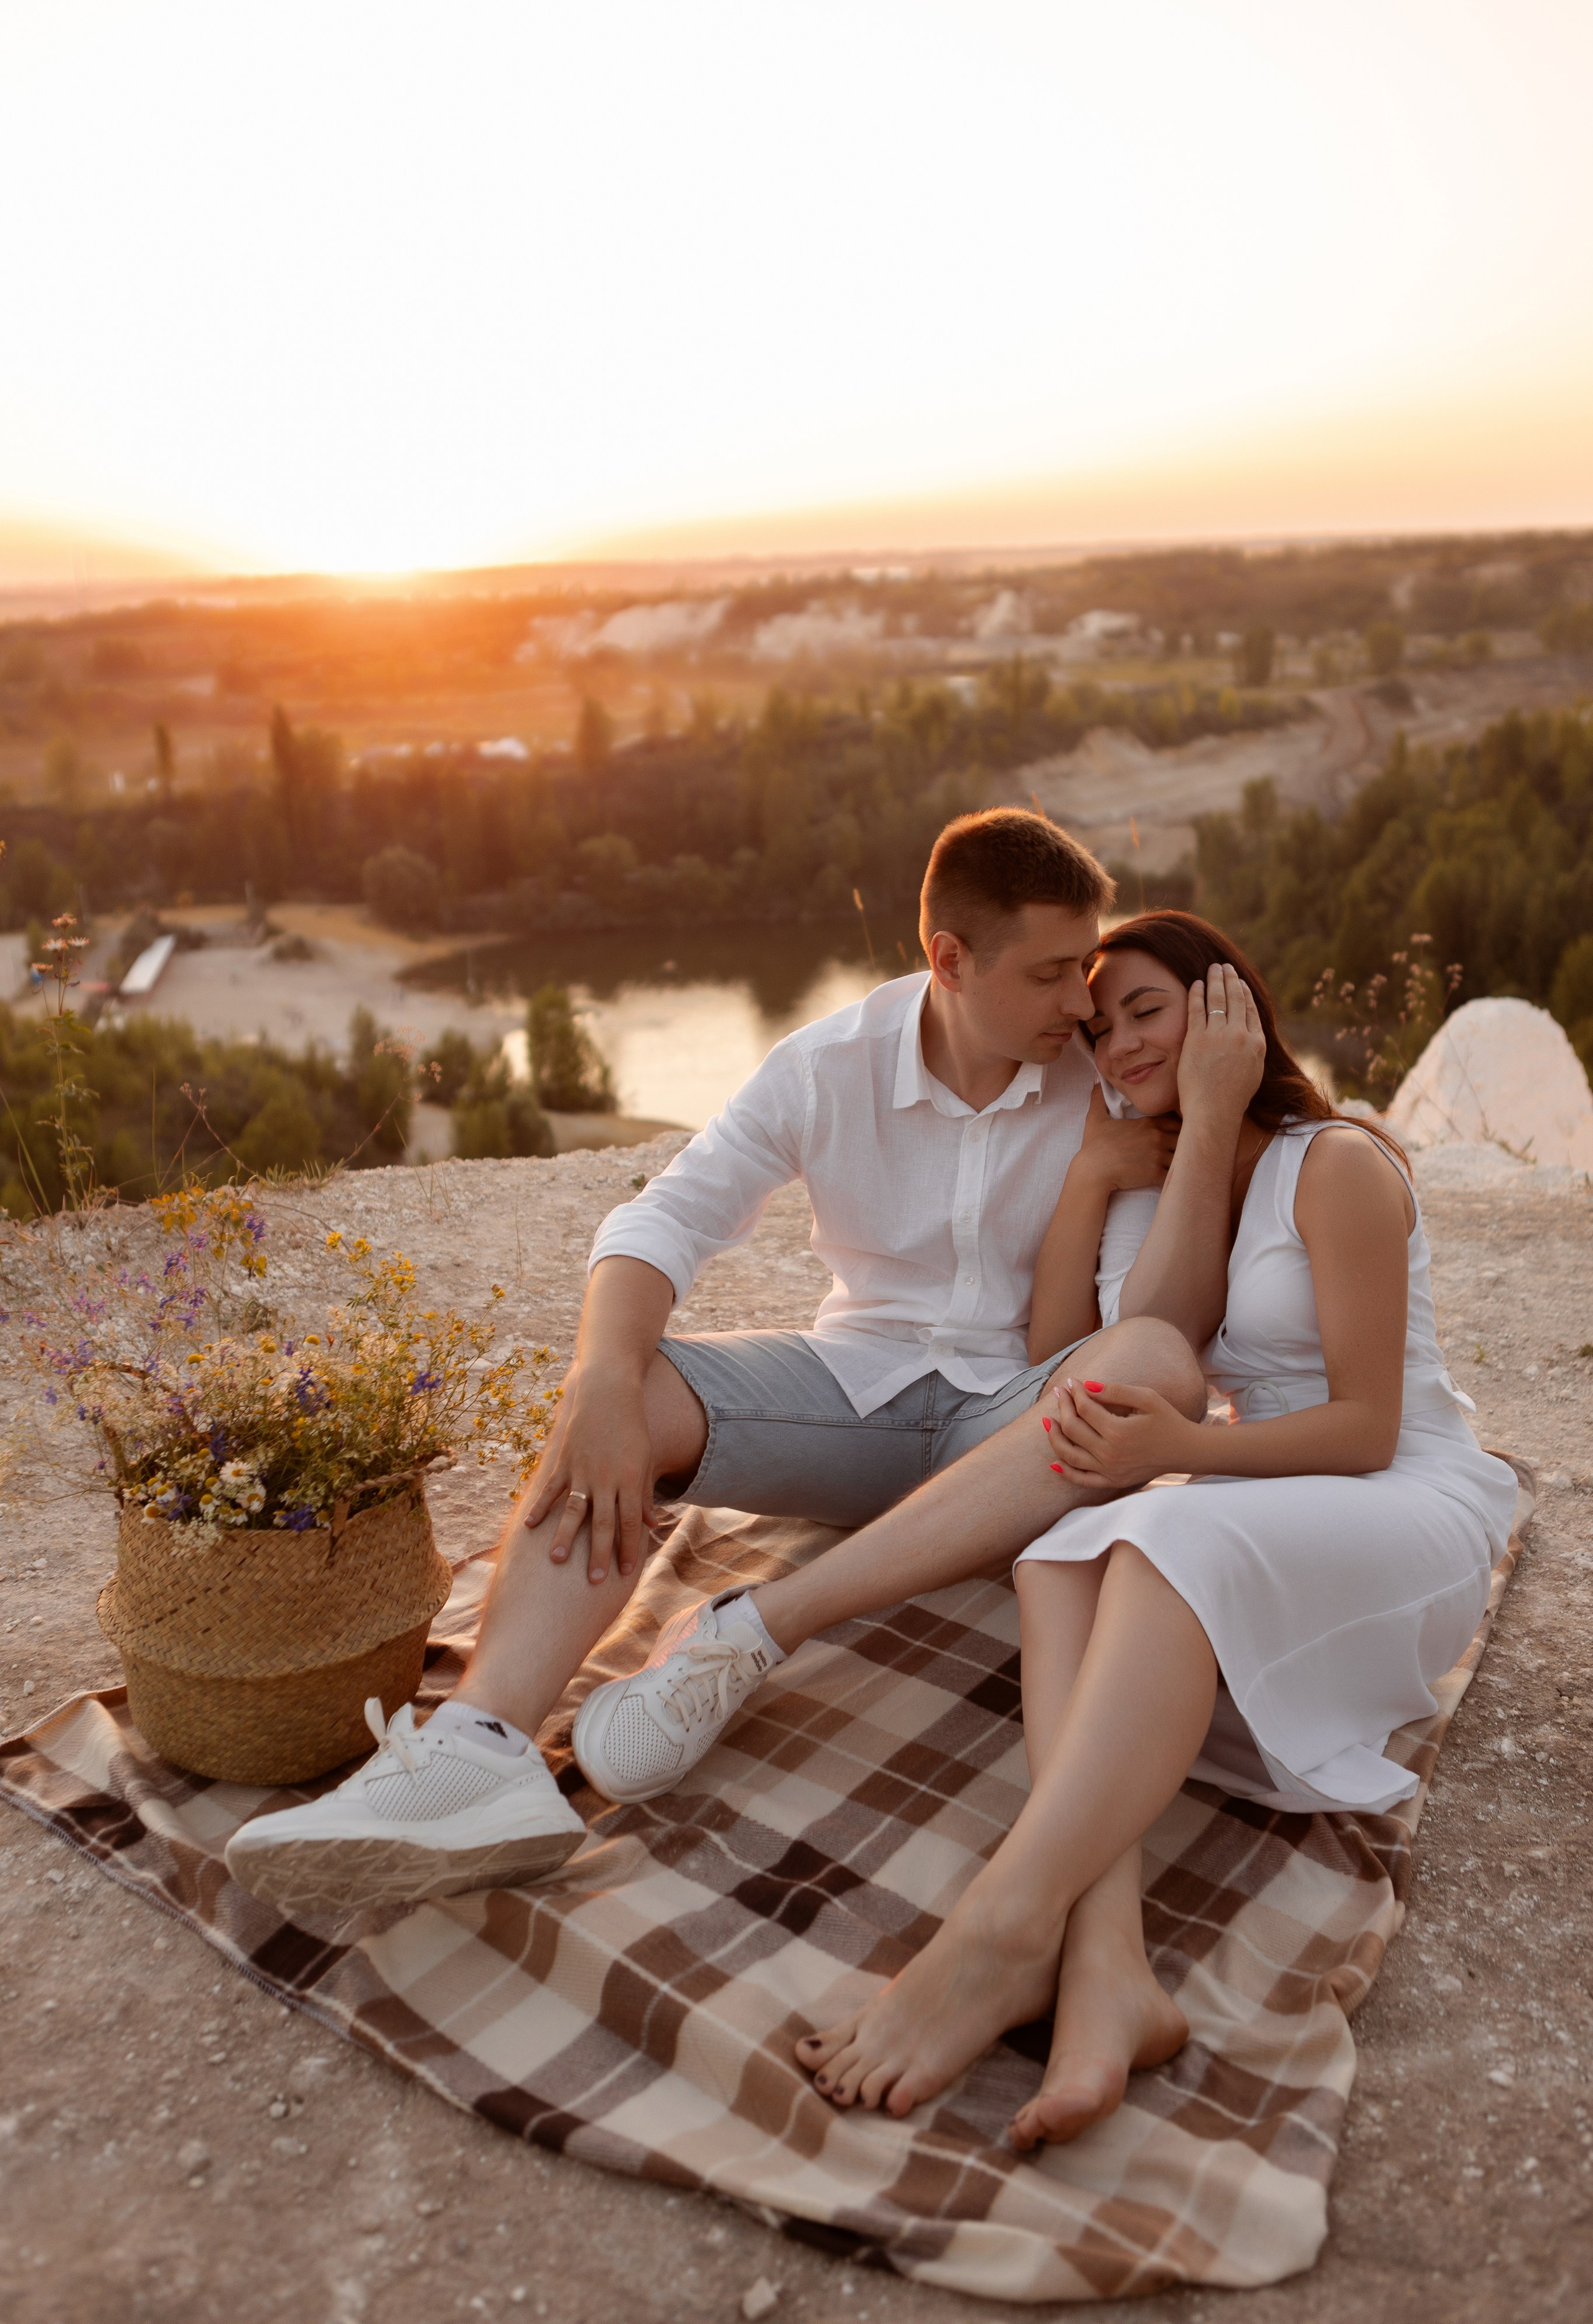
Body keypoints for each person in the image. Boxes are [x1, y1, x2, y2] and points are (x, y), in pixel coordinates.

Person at [225, 818, 1261, 1911]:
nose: (1082, 1005)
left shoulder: (1101, 1082)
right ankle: (479, 1755)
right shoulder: (826, 1066)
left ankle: (754, 1627)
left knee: (1152, 1362)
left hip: (1015, 1426)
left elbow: (1141, 1331)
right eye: (1052, 974)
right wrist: (602, 1381)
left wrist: (1168, 1143)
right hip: (852, 1396)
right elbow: (666, 1217)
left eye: (1084, 972)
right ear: (950, 960)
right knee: (635, 1382)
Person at [790, 912, 1519, 2148]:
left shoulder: (1331, 1162)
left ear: (1226, 1009)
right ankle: (1107, 1973)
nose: (1114, 1043)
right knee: (1058, 1554)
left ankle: (998, 1924)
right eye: (1095, 1024)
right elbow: (1057, 1361)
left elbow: (1363, 1428)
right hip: (1264, 1495)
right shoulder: (1158, 1174)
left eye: (1144, 1010)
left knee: (1158, 1537)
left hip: (1400, 1496)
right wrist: (1089, 1176)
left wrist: (1180, 1452)